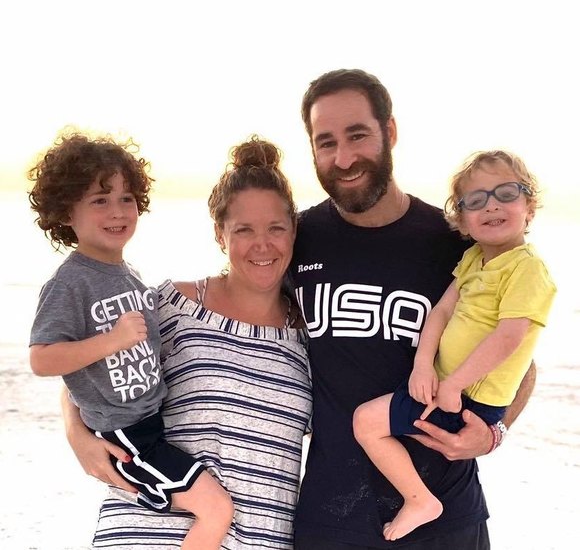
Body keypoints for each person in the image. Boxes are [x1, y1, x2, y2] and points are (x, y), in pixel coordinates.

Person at [290, 69, 537, 549]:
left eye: (357, 135)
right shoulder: (297, 241)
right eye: (326, 142)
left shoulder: (458, 245)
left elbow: (521, 362)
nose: (344, 158)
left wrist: (494, 433)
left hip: (447, 518)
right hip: (331, 520)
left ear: (390, 131)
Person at [61, 135, 312, 549]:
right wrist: (76, 433)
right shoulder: (172, 305)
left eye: (276, 228)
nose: (262, 244)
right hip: (147, 534)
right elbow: (89, 365)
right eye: (244, 229)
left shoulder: (309, 332)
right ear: (219, 234)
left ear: (293, 231)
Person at [28, 133, 235, 550]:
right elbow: (42, 359)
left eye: (126, 198)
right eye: (100, 200)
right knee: (216, 510)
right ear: (66, 211)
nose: (118, 211)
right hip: (127, 436)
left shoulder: (132, 277)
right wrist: (111, 341)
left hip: (152, 426)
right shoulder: (70, 283)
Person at [352, 150, 556, 541]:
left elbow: (510, 338)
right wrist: (423, 365)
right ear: (462, 219)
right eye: (476, 200)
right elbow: (441, 312)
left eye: (506, 193)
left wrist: (453, 385)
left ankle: (420, 501)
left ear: (529, 207)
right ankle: (419, 498)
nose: (491, 205)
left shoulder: (527, 269)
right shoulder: (474, 259)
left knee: (366, 422)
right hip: (447, 387)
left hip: (469, 401)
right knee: (374, 421)